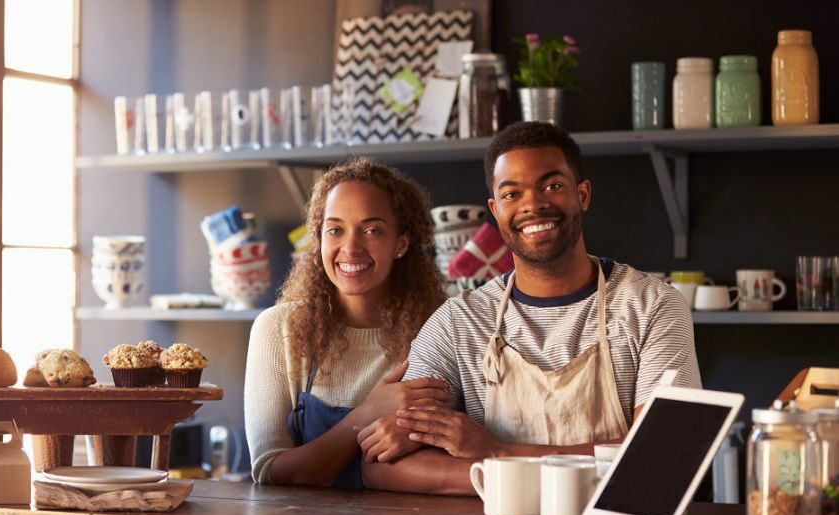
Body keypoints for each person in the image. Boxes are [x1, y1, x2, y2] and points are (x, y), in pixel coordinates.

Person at [357, 122, 702, 494]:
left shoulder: (653, 307)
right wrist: (510, 478)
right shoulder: (459, 322)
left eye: (552, 186)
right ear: (495, 208)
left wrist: (498, 453)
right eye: (511, 193)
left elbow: (667, 455)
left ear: (582, 194)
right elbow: (382, 465)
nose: (533, 205)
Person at [244, 157, 449, 488]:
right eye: (335, 230)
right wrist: (368, 414)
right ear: (319, 239)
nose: (350, 248)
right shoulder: (277, 329)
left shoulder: (439, 329)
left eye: (372, 230)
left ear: (401, 243)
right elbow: (270, 472)